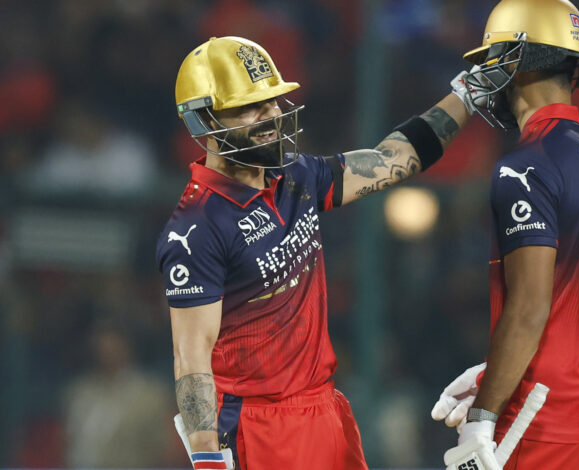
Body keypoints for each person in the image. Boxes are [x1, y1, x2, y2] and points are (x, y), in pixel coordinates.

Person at [156, 36, 479, 470]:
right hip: (260, 429)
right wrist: (207, 457)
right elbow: (191, 358)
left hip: (324, 409)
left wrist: (467, 94)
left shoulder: (296, 176)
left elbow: (395, 158)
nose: (271, 115)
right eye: (250, 106)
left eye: (272, 100)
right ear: (203, 121)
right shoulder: (196, 228)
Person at [430, 1, 579, 469]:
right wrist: (498, 370)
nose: (490, 77)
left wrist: (484, 414)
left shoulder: (524, 167)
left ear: (519, 62)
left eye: (495, 61)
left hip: (543, 417)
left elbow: (529, 309)